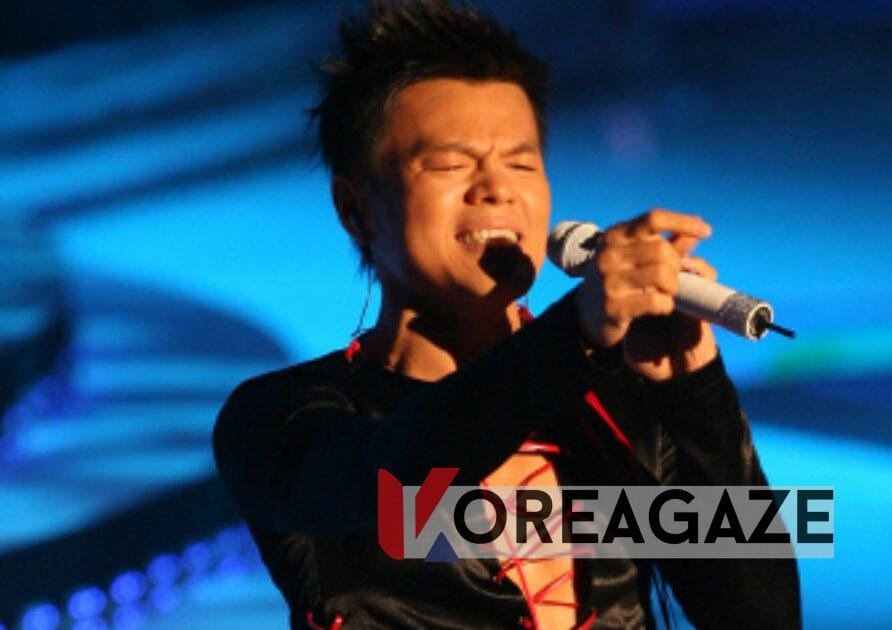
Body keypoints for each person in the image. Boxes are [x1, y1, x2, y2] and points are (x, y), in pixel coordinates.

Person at [211, 1, 800, 628]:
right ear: (356, 210)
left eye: (522, 163)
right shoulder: (280, 419)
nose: (498, 189)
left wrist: (693, 388)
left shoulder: (620, 402)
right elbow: (394, 477)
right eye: (449, 164)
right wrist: (576, 334)